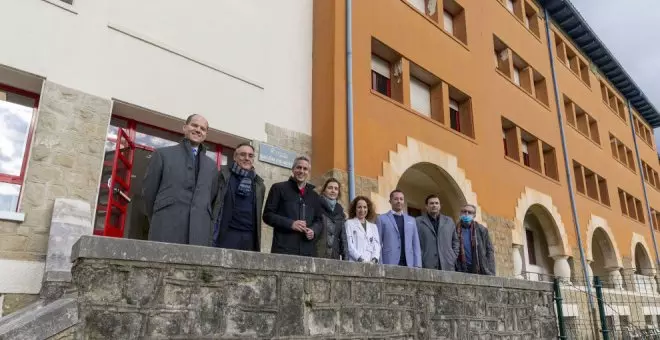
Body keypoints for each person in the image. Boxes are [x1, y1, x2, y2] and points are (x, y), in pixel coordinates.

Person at [142, 114, 218, 246]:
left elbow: (211, 199)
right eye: (194, 125)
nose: (198, 130)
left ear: (205, 134)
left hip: (198, 235)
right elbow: (149, 193)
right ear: (184, 127)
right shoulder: (162, 155)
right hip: (165, 229)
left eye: (203, 128)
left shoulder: (212, 166)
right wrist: (158, 218)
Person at [263, 156, 323, 256]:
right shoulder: (278, 188)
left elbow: (319, 221)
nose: (301, 171)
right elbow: (267, 215)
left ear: (308, 172)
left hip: (308, 251)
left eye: (305, 169)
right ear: (293, 169)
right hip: (283, 250)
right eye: (299, 167)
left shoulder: (314, 196)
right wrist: (291, 224)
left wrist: (314, 230)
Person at [212, 142, 265, 251]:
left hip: (249, 237)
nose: (246, 158)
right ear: (235, 157)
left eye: (250, 156)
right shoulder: (223, 176)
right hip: (227, 234)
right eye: (242, 154)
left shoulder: (259, 184)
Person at [376, 190, 421, 267]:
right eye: (396, 199)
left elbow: (416, 244)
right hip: (389, 262)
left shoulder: (411, 220)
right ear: (390, 201)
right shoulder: (381, 219)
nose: (399, 201)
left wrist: (418, 264)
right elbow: (378, 243)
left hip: (409, 263)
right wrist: (380, 263)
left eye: (401, 199)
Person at [416, 194, 459, 271]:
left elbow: (455, 241)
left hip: (447, 264)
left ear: (440, 206)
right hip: (426, 264)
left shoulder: (449, 221)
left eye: (436, 203)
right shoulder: (418, 222)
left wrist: (453, 256)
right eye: (431, 203)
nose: (434, 205)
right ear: (426, 206)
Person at [455, 204, 496, 275]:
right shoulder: (454, 229)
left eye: (469, 212)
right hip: (460, 268)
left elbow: (489, 250)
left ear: (474, 215)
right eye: (464, 211)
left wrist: (490, 270)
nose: (466, 214)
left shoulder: (482, 230)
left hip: (478, 267)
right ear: (460, 213)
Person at [317, 178, 348, 260]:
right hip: (317, 254)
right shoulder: (316, 206)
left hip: (334, 256)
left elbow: (343, 238)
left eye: (336, 189)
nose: (333, 191)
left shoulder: (340, 211)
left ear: (338, 193)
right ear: (324, 191)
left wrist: (346, 259)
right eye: (330, 188)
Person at [345, 196, 380, 263]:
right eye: (359, 207)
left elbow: (377, 246)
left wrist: (374, 259)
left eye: (365, 207)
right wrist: (360, 259)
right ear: (354, 209)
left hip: (371, 264)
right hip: (355, 263)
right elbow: (349, 245)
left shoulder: (373, 227)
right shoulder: (349, 223)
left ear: (368, 209)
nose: (362, 210)